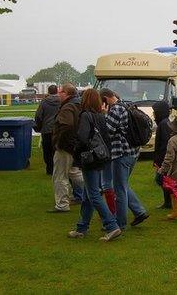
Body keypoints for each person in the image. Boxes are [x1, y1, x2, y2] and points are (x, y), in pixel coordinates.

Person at [68, 89, 122, 241]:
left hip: (90, 159)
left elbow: (83, 138)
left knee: (93, 195)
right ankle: (82, 227)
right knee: (88, 194)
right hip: (101, 158)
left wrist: (75, 150)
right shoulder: (101, 116)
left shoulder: (85, 116)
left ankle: (112, 225)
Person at [102, 89, 149, 229]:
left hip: (120, 153)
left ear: (105, 99)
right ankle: (139, 211)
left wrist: (104, 114)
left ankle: (119, 223)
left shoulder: (115, 110)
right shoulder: (127, 105)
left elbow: (107, 131)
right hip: (133, 152)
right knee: (123, 185)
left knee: (119, 190)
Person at [50, 84, 85, 213]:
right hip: (75, 145)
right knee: (74, 172)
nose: (58, 94)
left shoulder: (68, 107)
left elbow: (67, 125)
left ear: (66, 93)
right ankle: (95, 189)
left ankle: (62, 204)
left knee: (59, 175)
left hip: (65, 146)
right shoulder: (79, 104)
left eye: (60, 92)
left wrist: (59, 141)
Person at [33, 84, 60, 176]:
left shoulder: (44, 102)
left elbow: (38, 116)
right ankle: (58, 169)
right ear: (57, 91)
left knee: (47, 150)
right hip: (58, 130)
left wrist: (39, 127)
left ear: (48, 92)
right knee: (57, 150)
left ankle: (49, 169)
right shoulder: (62, 101)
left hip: (47, 130)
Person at [152, 101, 174, 210]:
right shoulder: (165, 123)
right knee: (162, 180)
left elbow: (164, 144)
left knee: (161, 179)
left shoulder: (163, 124)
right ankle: (168, 201)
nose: (154, 115)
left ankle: (169, 201)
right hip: (162, 157)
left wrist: (159, 160)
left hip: (163, 158)